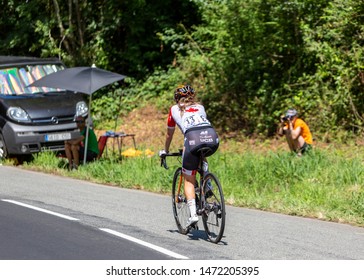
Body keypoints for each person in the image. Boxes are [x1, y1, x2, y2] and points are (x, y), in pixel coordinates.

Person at [159, 84, 219, 227]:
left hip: (192, 139)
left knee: (189, 179)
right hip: (212, 137)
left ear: (177, 98)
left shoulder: (174, 109)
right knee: (201, 152)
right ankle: (207, 182)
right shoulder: (201, 107)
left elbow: (169, 134)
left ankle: (193, 214)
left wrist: (165, 151)